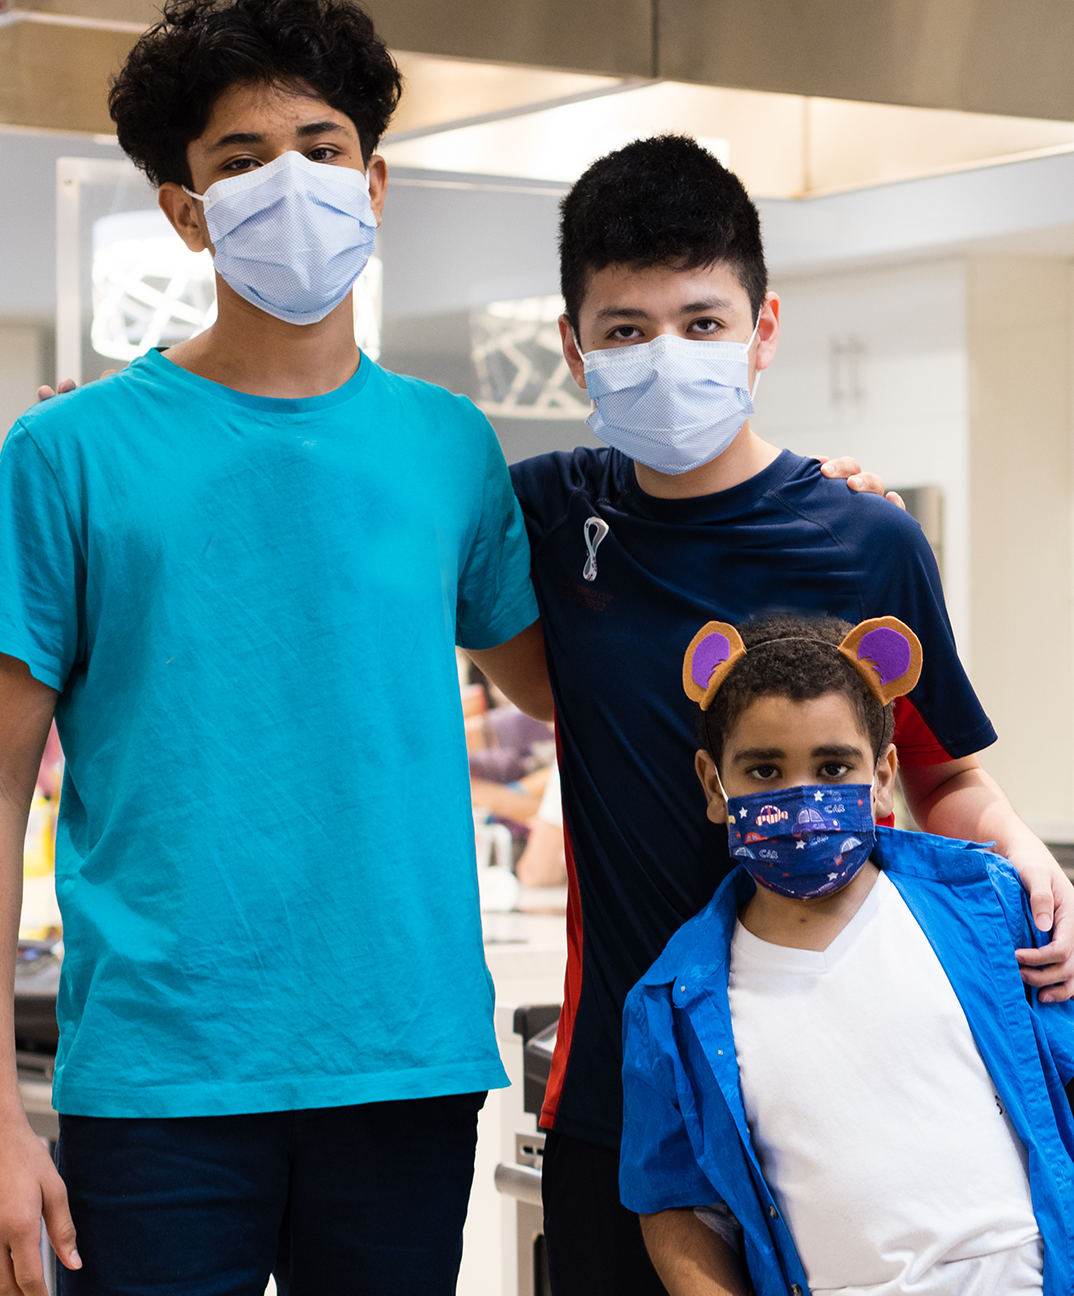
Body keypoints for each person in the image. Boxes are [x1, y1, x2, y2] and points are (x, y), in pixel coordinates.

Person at [0, 1, 551, 1292]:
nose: (285, 183)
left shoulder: (450, 446)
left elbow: (576, 679)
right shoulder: (65, 459)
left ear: (372, 181)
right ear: (184, 210)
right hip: (159, 1079)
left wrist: (787, 516)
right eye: (239, 161)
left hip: (404, 1065)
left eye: (317, 144)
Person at [507, 134, 1074, 1295]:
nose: (665, 355)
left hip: (844, 1095)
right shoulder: (551, 517)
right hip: (628, 1100)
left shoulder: (866, 539)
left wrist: (1023, 861)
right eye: (625, 330)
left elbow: (944, 773)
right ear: (575, 350)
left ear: (763, 330)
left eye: (702, 322)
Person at [620, 612, 1074, 1295]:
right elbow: (674, 1203)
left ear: (884, 774)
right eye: (765, 769)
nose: (802, 803)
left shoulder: (993, 908)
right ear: (716, 786)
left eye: (833, 767)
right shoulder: (672, 1005)